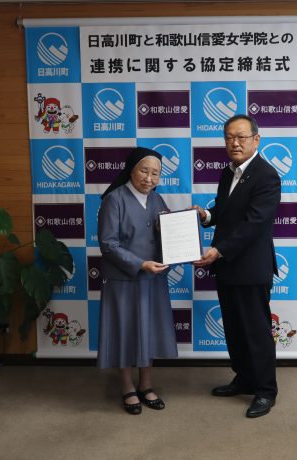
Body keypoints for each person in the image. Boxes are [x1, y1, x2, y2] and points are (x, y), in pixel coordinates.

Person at [193, 114, 281, 418]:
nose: (235, 143)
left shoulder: (266, 175)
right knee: (234, 330)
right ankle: (244, 378)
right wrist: (206, 216)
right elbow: (226, 211)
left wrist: (219, 250)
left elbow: (254, 223)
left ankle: (266, 390)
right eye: (229, 137)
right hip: (227, 266)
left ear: (256, 139)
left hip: (250, 268)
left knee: (256, 332)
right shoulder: (228, 172)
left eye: (241, 137)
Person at [97, 146, 178, 415]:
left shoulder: (157, 199)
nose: (149, 178)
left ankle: (146, 384)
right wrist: (140, 264)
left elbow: (168, 235)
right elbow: (108, 244)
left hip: (153, 280)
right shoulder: (114, 199)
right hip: (124, 280)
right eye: (144, 171)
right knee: (124, 331)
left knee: (148, 331)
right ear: (131, 170)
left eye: (155, 173)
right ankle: (127, 386)